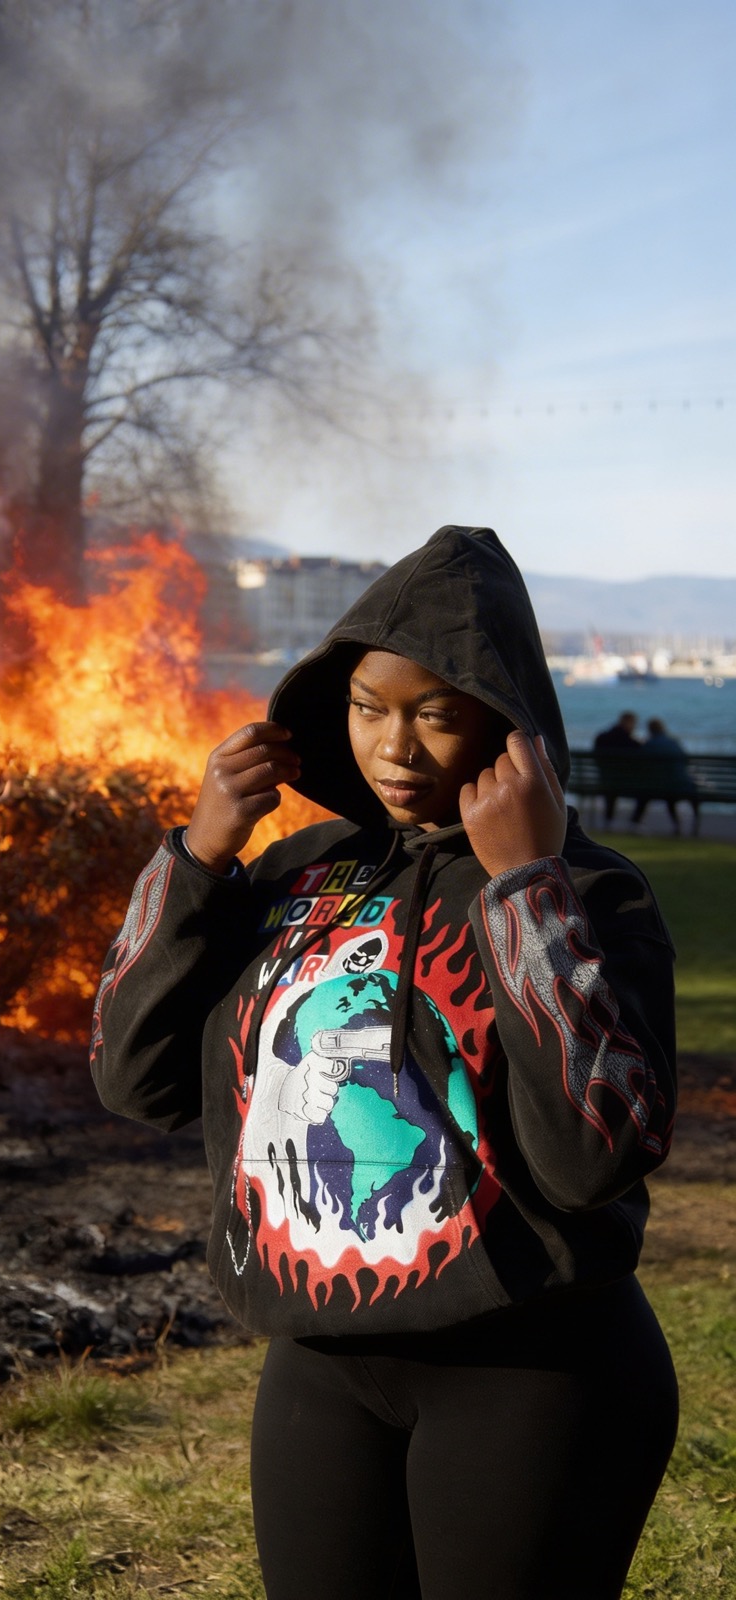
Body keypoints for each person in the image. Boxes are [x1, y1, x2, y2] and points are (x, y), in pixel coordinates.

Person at [91, 526, 677, 1600]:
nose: (395, 748)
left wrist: (524, 890)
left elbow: (598, 1156)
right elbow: (136, 1078)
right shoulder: (297, 874)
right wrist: (198, 854)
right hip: (320, 1367)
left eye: (436, 713)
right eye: (369, 707)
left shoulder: (588, 893)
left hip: (534, 1372)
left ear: (507, 724)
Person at [632, 718, 700, 836]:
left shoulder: (649, 745)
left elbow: (641, 767)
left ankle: (635, 821)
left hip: (659, 787)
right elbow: (685, 761)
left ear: (650, 730)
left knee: (645, 793)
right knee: (671, 794)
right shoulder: (673, 743)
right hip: (681, 786)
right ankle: (694, 825)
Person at [592, 710, 641, 823]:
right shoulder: (632, 743)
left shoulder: (602, 738)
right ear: (629, 723)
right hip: (626, 782)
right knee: (646, 791)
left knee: (611, 789)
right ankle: (635, 821)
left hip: (605, 779)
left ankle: (608, 820)